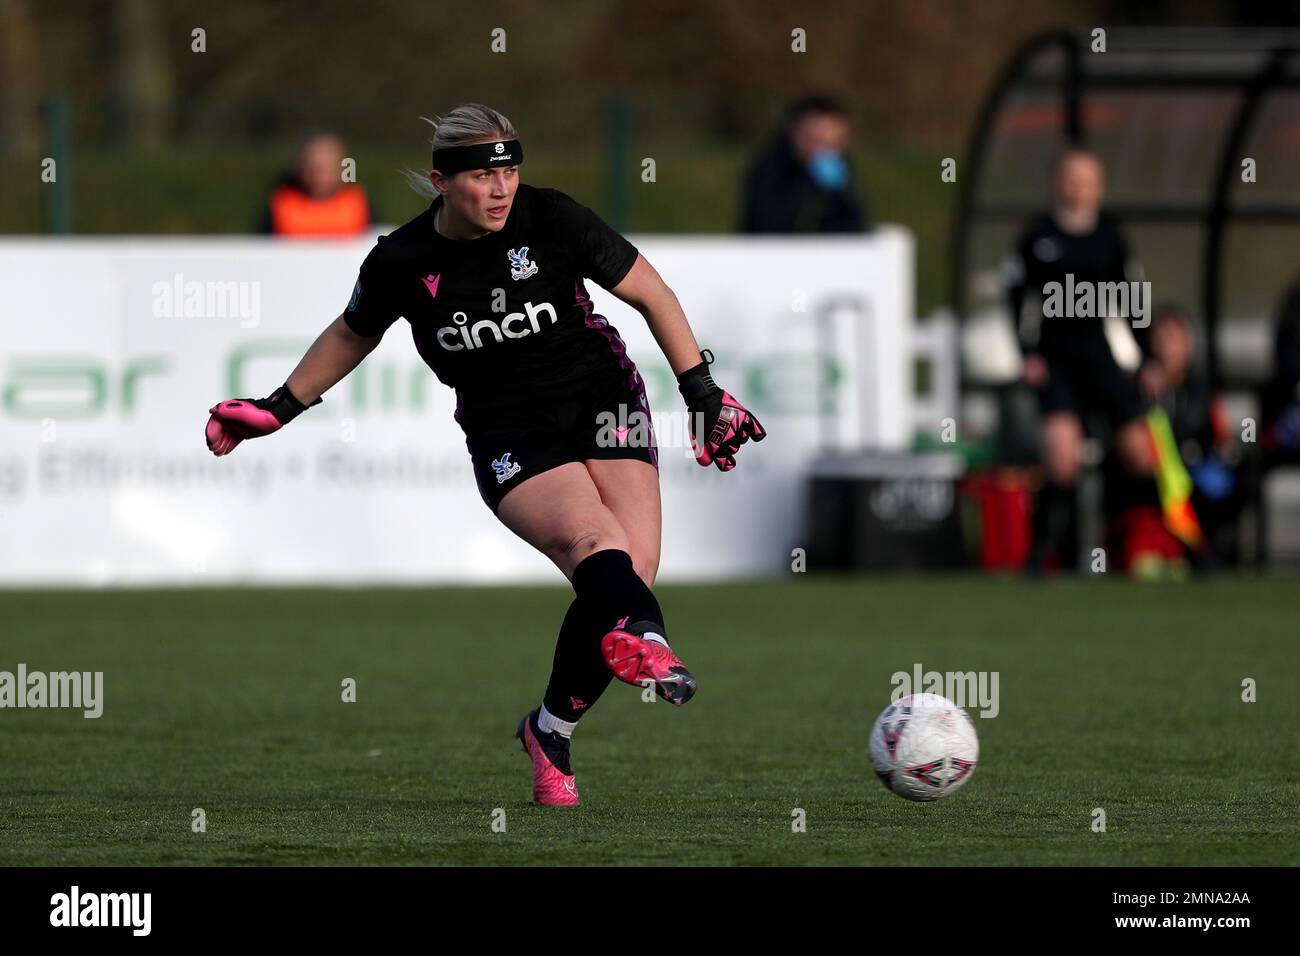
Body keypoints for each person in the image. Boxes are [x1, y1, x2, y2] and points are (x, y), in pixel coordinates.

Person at [206, 103, 766, 807]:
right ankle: (649, 641)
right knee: (601, 551)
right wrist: (279, 407)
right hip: (509, 430)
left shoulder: (554, 219)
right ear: (441, 181)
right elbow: (353, 334)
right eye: (480, 177)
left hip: (600, 395)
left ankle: (550, 729)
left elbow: (651, 292)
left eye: (509, 172)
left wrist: (704, 394)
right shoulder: (403, 261)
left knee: (631, 571)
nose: (500, 190)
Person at [1004, 147, 1159, 571]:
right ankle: (1043, 556)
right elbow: (1016, 300)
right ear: (1056, 182)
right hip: (1056, 360)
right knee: (1062, 457)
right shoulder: (1037, 237)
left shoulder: (1111, 237)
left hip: (1099, 357)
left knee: (1141, 453)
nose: (1079, 188)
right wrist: (1027, 354)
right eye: (1072, 179)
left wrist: (1147, 358)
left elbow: (1133, 300)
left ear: (1100, 187)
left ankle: (1157, 542)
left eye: (1088, 180)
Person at [740, 94, 868, 234]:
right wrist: (809, 184)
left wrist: (841, 194)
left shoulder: (841, 167)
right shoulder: (770, 167)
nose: (823, 152)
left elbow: (855, 226)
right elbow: (766, 223)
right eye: (815, 140)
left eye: (831, 143)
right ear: (795, 133)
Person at [258, 133, 377, 236]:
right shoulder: (282, 203)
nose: (321, 177)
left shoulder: (358, 202)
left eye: (329, 169)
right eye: (314, 169)